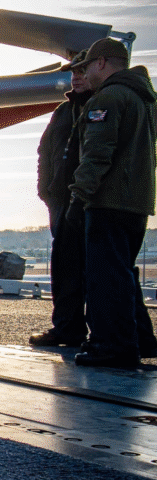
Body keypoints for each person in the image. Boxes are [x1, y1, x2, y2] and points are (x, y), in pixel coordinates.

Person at [67, 38, 157, 368]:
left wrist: (79, 197)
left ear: (102, 63)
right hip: (138, 201)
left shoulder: (107, 98)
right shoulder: (145, 99)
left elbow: (97, 154)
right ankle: (140, 340)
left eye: (87, 66)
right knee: (123, 274)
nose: (85, 74)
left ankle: (112, 347)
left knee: (105, 277)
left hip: (108, 201)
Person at [29, 50, 90, 348]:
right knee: (64, 268)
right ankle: (68, 328)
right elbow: (44, 150)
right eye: (73, 72)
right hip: (62, 202)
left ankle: (114, 336)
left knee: (99, 270)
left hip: (90, 202)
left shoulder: (102, 106)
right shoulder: (63, 112)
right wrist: (47, 191)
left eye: (82, 72)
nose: (76, 78)